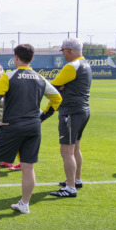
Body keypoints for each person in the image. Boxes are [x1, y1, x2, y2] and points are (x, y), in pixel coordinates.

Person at [0, 44, 62, 214]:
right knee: (28, 167)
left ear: (16, 58)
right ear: (32, 59)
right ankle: (24, 204)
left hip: (11, 126)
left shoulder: (9, 77)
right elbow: (57, 98)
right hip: (33, 127)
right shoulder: (40, 78)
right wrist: (41, 117)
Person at [50, 38, 92, 198]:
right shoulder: (85, 64)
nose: (63, 54)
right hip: (82, 110)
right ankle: (76, 180)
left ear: (69, 50)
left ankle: (70, 187)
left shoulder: (71, 66)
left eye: (63, 51)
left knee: (66, 150)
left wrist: (61, 87)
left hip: (71, 111)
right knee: (75, 148)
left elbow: (52, 87)